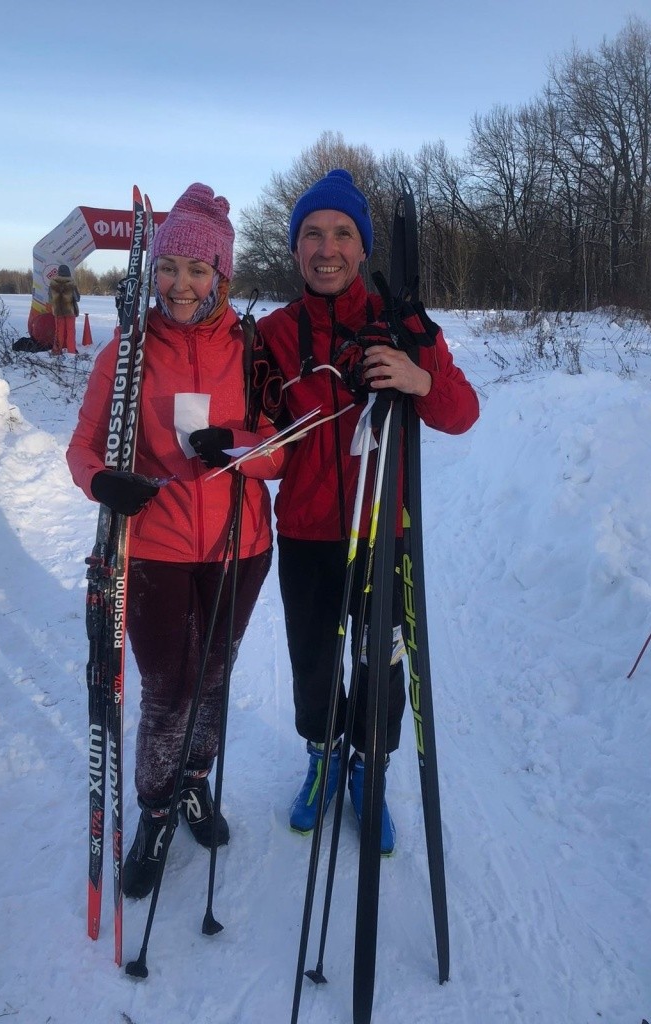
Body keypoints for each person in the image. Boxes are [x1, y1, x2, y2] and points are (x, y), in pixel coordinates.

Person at [66, 183, 286, 898]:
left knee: (213, 679)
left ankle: (195, 782)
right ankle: (156, 809)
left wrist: (239, 446)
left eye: (198, 270)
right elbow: (83, 449)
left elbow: (282, 452)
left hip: (241, 544)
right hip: (155, 549)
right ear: (152, 271)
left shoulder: (250, 350)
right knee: (168, 688)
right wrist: (104, 484)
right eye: (169, 268)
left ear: (220, 273)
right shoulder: (126, 356)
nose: (181, 284)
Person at [256, 169, 479, 854]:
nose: (328, 247)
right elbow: (252, 432)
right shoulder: (270, 335)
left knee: (380, 666)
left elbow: (462, 412)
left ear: (363, 246)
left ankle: (368, 769)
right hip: (305, 534)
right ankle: (324, 759)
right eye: (313, 234)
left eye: (343, 233)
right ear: (296, 249)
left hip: (384, 531)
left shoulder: (402, 322)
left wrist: (419, 379)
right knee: (313, 660)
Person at [48, 263, 79, 355]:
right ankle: (71, 351)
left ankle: (57, 350)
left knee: (58, 331)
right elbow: (77, 298)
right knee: (71, 331)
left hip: (58, 311)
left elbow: (50, 299)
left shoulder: (52, 284)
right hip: (70, 311)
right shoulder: (71, 284)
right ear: (68, 272)